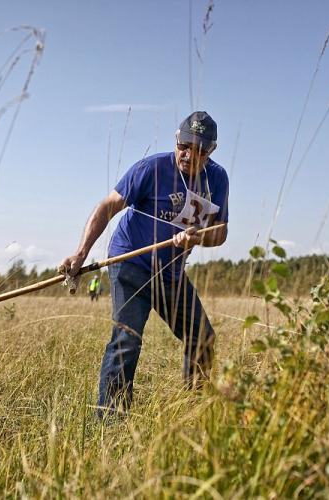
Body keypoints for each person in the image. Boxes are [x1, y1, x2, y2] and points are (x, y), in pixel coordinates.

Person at [60, 111, 229, 417]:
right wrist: (81, 253)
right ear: (177, 140)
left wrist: (196, 239)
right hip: (131, 262)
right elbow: (108, 205)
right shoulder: (151, 168)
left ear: (211, 151)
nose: (189, 154)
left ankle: (195, 411)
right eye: (184, 145)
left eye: (199, 149)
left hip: (171, 272)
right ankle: (111, 420)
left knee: (202, 337)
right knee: (128, 338)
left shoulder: (217, 179)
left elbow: (220, 233)